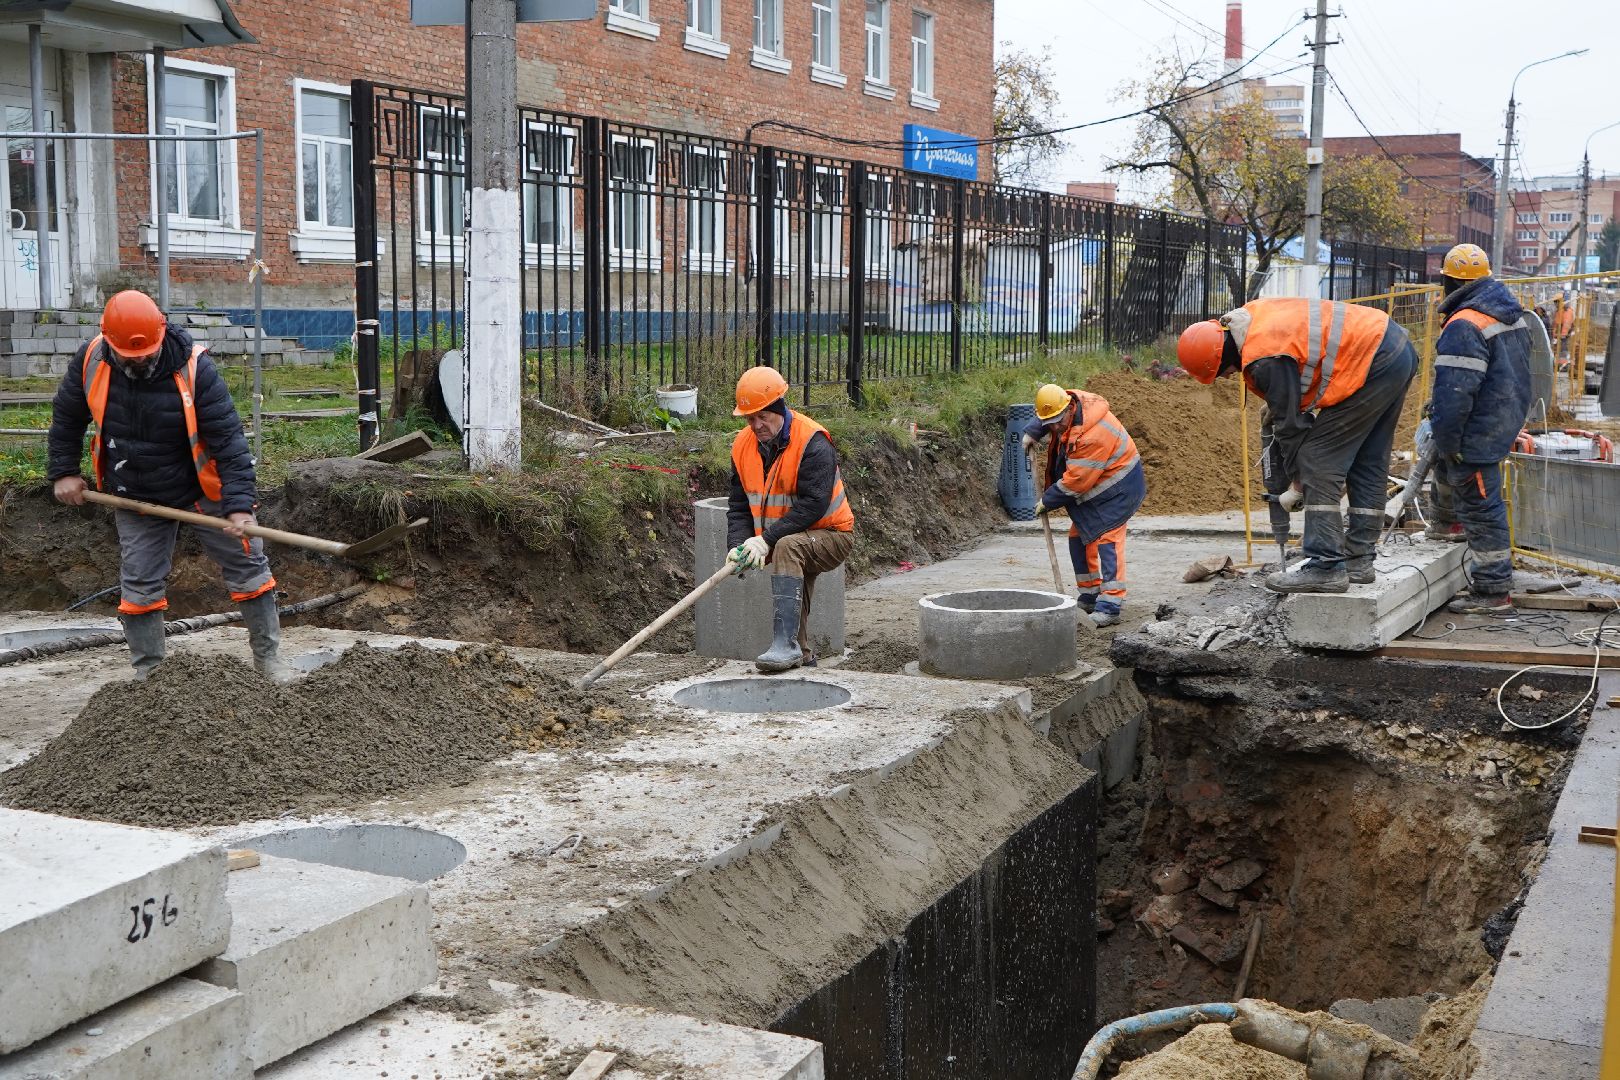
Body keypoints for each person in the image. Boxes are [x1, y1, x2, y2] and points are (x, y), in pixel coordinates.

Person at [47, 290, 289, 681]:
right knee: (139, 582)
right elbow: (66, 418)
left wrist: (239, 506)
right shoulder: (91, 359)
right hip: (135, 491)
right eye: (130, 355)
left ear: (161, 332)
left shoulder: (196, 369)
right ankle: (152, 679)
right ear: (109, 341)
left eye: (147, 352)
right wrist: (63, 472)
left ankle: (269, 660)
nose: (140, 359)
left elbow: (229, 441)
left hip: (199, 488)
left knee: (247, 563)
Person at [1177, 295, 1417, 594]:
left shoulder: (1263, 358)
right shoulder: (1249, 320)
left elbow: (1292, 429)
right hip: (1393, 348)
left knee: (1318, 459)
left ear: (1219, 358)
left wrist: (1297, 481)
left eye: (1222, 372)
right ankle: (1359, 561)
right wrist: (1282, 402)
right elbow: (1305, 360)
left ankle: (1326, 565)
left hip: (1372, 359)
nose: (1228, 377)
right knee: (1368, 460)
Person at [1425, 243, 1533, 613]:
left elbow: (1456, 392)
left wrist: (1448, 438)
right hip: (1501, 418)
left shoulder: (1465, 323)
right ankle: (1448, 524)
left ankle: (1492, 590)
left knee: (1482, 508)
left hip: (1477, 429)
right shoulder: (1508, 312)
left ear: (1450, 281)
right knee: (1472, 492)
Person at [725, 366, 855, 672]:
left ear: (780, 408)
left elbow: (814, 504)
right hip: (792, 536)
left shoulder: (813, 441)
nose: (755, 425)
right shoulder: (742, 446)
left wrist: (766, 540)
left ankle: (785, 645)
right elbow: (740, 505)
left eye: (762, 416)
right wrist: (738, 545)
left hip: (833, 534)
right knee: (791, 554)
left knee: (787, 548)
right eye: (749, 418)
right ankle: (802, 655)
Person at [1020, 383, 1146, 627]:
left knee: (1108, 539)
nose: (1055, 428)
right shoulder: (1068, 402)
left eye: (1057, 422)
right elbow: (1048, 413)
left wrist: (1047, 501)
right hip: (1098, 482)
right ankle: (1090, 594)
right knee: (1078, 537)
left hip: (1120, 486)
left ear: (1069, 410)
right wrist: (1034, 430)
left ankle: (1111, 605)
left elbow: (1076, 482)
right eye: (1050, 423)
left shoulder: (1092, 435)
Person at [1552, 294, 1576, 368]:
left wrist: (1563, 335)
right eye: (1555, 302)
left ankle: (1563, 365)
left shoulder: (1566, 311)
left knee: (1563, 349)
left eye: (1556, 302)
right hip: (1559, 334)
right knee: (1559, 349)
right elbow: (1556, 323)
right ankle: (1559, 363)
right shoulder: (1560, 310)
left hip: (1564, 335)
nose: (1555, 304)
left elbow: (1566, 323)